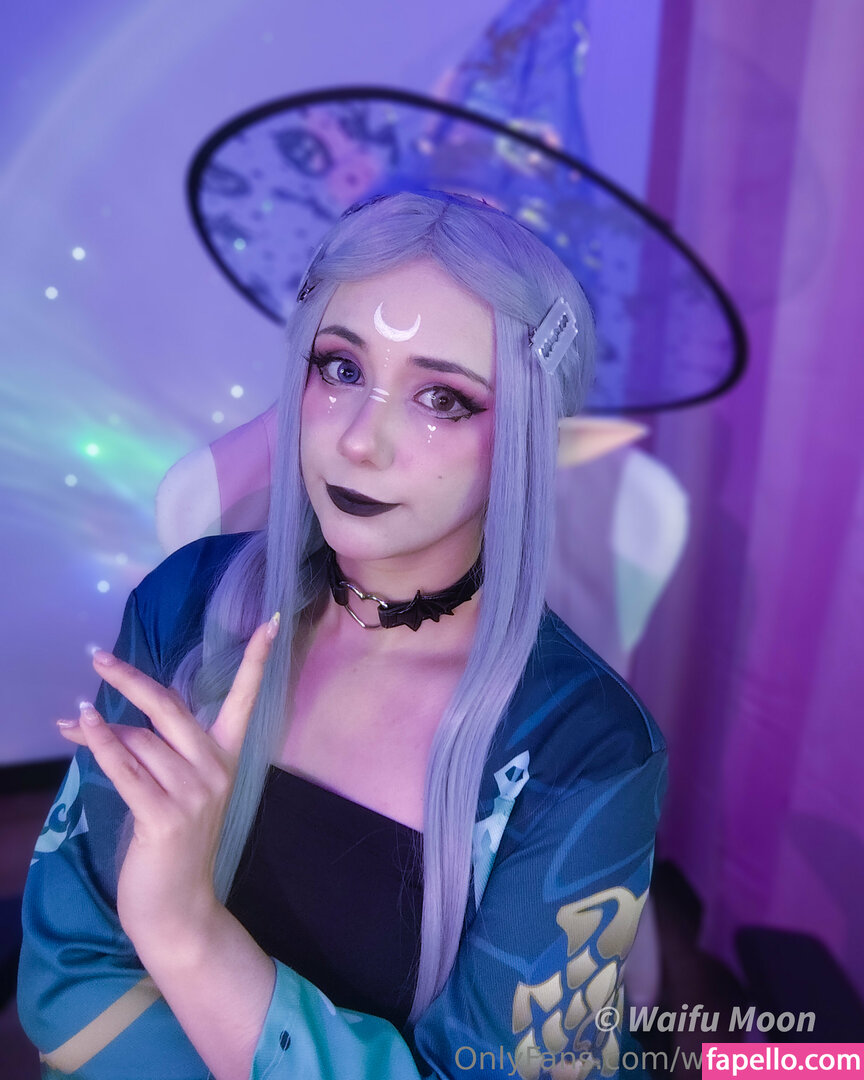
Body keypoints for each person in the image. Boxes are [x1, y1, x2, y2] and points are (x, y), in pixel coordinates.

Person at [18, 191, 667, 1079]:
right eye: (340, 367)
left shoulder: (585, 746)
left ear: (525, 433)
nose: (362, 442)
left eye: (443, 398)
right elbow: (67, 975)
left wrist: (185, 932)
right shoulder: (185, 604)